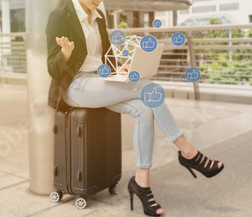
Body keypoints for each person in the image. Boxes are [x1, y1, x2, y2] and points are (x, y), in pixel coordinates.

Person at [46, 0, 224, 216]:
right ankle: (187, 151)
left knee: (145, 107)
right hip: (75, 86)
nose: (99, 0)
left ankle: (141, 183)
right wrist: (65, 53)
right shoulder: (60, 16)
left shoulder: (98, 17)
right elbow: (53, 69)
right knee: (150, 88)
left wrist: (118, 69)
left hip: (98, 82)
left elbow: (101, 57)